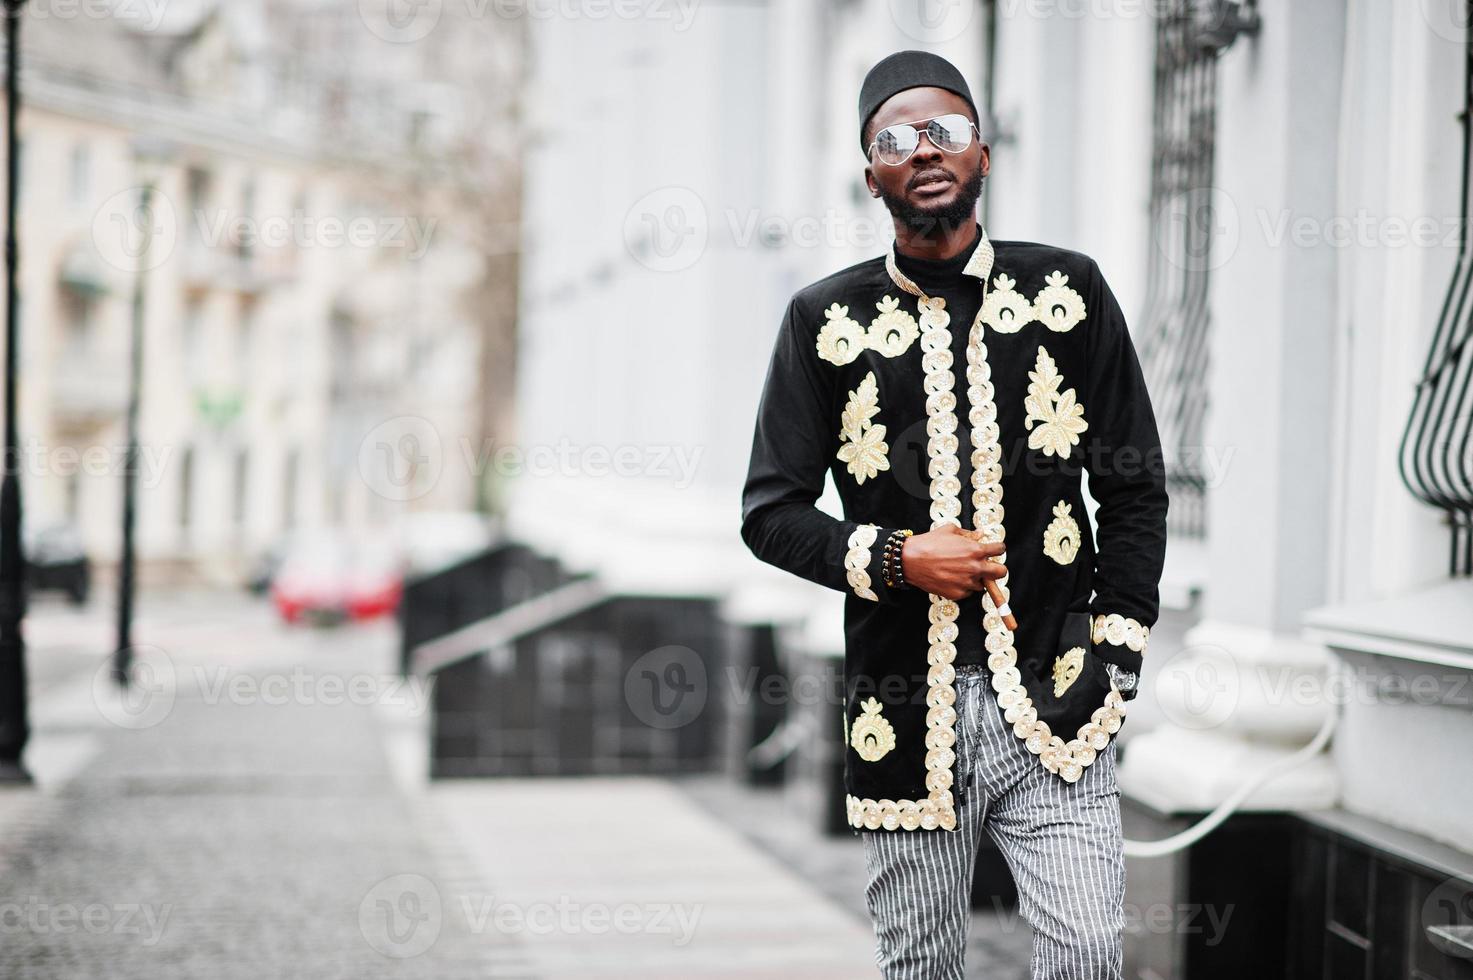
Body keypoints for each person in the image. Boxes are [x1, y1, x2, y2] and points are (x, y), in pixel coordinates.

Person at [739, 49, 1169, 979]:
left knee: (1086, 953)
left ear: (983, 155)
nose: (924, 152)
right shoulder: (823, 320)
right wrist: (898, 557)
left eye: (946, 131)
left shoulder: (1068, 293)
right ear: (871, 176)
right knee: (923, 964)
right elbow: (770, 511)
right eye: (897, 140)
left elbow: (1132, 482)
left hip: (1058, 699)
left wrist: (1118, 654)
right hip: (901, 709)